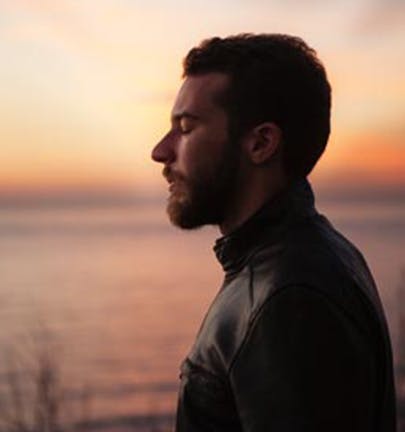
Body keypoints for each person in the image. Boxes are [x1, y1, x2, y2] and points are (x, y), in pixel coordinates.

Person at [151, 34, 397, 431]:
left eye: (186, 127)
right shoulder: (303, 260)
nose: (161, 151)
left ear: (262, 143)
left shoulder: (287, 297)